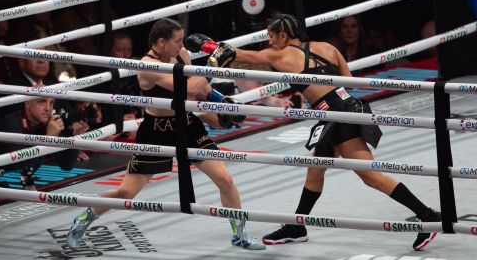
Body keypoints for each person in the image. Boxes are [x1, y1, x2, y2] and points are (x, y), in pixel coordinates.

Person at [186, 13, 441, 251]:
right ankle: (298, 225)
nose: (270, 42)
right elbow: (350, 80)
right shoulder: (328, 47)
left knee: (370, 176)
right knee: (315, 169)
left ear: (283, 36)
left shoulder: (282, 54)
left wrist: (208, 46)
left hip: (336, 115)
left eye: (271, 37)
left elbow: (240, 56)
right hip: (347, 106)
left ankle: (428, 216)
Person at [66, 18, 265, 250]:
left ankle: (239, 234)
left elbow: (200, 88)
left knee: (225, 179)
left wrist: (223, 103)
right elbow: (187, 88)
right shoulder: (147, 66)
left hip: (187, 124)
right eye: (177, 40)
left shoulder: (181, 55)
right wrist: (213, 63)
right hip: (156, 131)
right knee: (127, 191)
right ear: (161, 42)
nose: (182, 45)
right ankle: (83, 220)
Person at [0, 85, 82, 190]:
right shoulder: (10, 126)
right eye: (42, 101)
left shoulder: (49, 122)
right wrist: (48, 140)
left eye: (51, 103)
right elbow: (23, 169)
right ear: (27, 104)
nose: (48, 108)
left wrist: (74, 136)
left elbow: (66, 165)